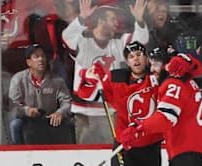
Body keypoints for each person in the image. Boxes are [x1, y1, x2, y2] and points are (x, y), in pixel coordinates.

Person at [118, 51, 202, 166]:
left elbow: (166, 118)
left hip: (187, 147)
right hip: (180, 148)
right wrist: (186, 59)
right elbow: (196, 67)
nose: (151, 69)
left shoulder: (173, 82)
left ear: (168, 65)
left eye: (156, 64)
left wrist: (138, 127)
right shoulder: (179, 79)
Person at [61, 0, 149, 144]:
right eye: (113, 19)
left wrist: (139, 21)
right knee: (87, 157)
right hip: (85, 113)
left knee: (111, 154)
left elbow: (140, 43)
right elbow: (67, 38)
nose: (117, 23)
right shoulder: (83, 43)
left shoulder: (118, 44)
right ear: (100, 21)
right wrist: (81, 19)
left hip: (111, 111)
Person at [8, 44, 73, 145]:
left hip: (50, 118)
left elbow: (67, 102)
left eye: (43, 56)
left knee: (72, 123)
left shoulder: (57, 80)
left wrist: (60, 113)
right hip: (27, 119)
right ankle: (19, 155)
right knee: (15, 125)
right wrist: (26, 111)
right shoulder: (18, 79)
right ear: (28, 62)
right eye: (36, 57)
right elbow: (12, 105)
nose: (41, 59)